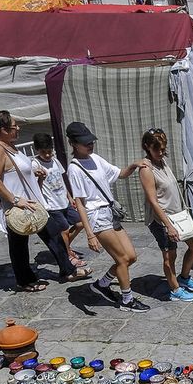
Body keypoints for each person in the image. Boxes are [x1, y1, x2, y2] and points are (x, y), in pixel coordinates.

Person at [65, 120, 151, 313]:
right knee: (121, 259)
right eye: (84, 142)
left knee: (131, 257)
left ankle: (102, 284)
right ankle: (127, 300)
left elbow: (119, 174)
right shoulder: (75, 168)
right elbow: (80, 202)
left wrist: (134, 165)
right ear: (73, 143)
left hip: (110, 212)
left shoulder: (95, 158)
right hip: (96, 216)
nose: (89, 144)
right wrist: (89, 234)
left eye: (90, 141)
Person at [0, 110, 54, 293]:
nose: (18, 128)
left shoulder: (5, 144)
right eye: (14, 126)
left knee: (28, 239)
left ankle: (62, 266)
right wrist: (14, 200)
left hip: (26, 200)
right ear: (3, 130)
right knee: (19, 243)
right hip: (16, 204)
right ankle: (24, 280)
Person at [138, 128, 193, 303]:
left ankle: (184, 276)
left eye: (163, 148)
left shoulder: (162, 161)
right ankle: (174, 289)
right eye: (157, 149)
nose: (161, 152)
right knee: (169, 255)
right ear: (147, 147)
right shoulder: (146, 168)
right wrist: (168, 225)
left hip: (177, 214)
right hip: (162, 219)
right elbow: (153, 200)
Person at [33, 132, 89, 282]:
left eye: (49, 151)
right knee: (63, 230)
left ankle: (65, 248)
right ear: (37, 150)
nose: (47, 155)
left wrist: (70, 197)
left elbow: (62, 180)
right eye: (43, 152)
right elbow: (34, 188)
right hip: (51, 204)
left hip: (63, 200)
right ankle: (68, 254)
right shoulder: (35, 165)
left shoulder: (56, 161)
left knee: (80, 223)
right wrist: (39, 178)